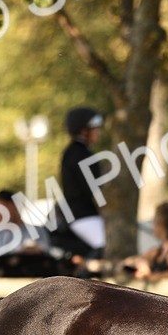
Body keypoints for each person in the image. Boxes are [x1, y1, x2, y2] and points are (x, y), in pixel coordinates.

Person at [58, 106, 107, 259]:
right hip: (83, 215)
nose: (98, 133)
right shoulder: (81, 154)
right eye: (95, 129)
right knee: (106, 246)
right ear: (84, 131)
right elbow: (93, 190)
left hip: (80, 214)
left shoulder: (73, 151)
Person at [121, 202, 168, 280]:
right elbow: (131, 260)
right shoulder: (159, 250)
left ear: (162, 223)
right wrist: (140, 263)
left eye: (154, 221)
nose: (152, 225)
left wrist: (151, 277)